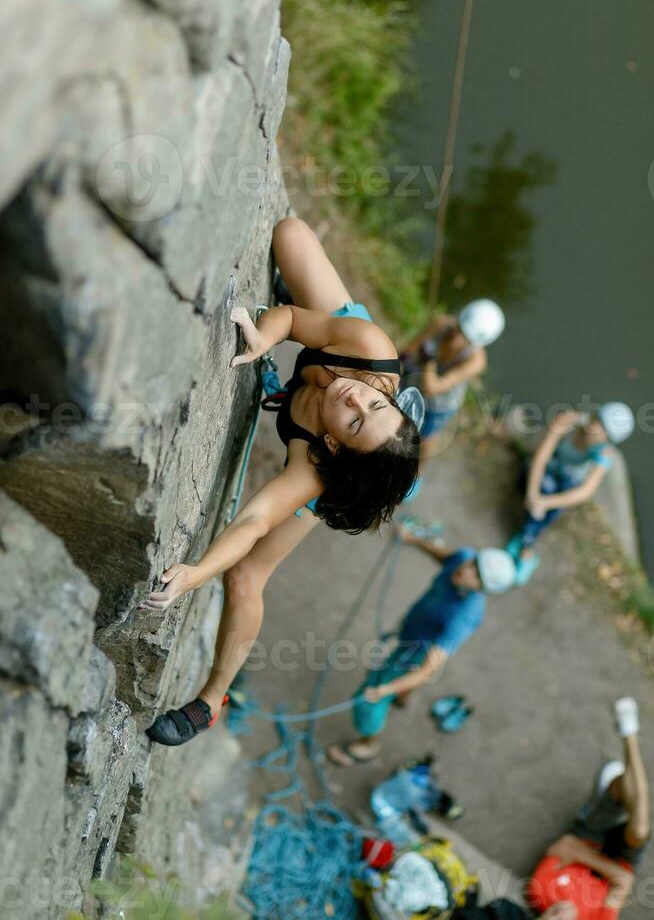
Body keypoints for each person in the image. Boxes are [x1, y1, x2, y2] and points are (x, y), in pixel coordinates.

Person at [144, 216, 422, 746]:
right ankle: (391, 448)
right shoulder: (366, 350)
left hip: (348, 477)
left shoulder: (317, 468)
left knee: (245, 577)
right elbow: (292, 318)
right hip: (342, 347)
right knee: (291, 232)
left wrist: (196, 573)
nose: (356, 399)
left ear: (337, 444)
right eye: (376, 402)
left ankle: (212, 700)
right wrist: (261, 336)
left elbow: (254, 518)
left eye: (359, 419)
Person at [326, 524, 516, 765]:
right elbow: (444, 555)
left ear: (483, 589)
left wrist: (385, 690)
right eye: (473, 564)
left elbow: (427, 671)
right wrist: (412, 539)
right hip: (413, 627)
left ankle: (368, 744)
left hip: (416, 651)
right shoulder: (463, 558)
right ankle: (403, 695)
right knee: (396, 681)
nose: (467, 571)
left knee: (368, 699)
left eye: (476, 576)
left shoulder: (462, 617)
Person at [528, 697, 650, 920]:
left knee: (624, 786)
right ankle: (629, 736)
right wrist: (583, 858)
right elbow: (624, 882)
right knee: (639, 830)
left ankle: (616, 792)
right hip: (618, 858)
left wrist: (582, 855)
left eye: (544, 918)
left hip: (588, 838)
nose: (552, 913)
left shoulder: (539, 892)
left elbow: (566, 845)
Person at [508, 403, 635, 585]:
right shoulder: (566, 422)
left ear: (608, 438)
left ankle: (525, 542)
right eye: (596, 419)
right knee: (543, 489)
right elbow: (541, 456)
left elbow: (585, 491)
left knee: (552, 503)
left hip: (567, 479)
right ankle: (525, 547)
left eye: (603, 429)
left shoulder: (604, 452)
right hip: (548, 467)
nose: (594, 427)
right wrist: (533, 493)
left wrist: (544, 502)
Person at [400, 299, 505, 459]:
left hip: (438, 404)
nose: (456, 340)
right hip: (413, 380)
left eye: (465, 338)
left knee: (424, 441)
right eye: (459, 329)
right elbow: (407, 351)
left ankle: (417, 474)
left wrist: (429, 358)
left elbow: (432, 389)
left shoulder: (476, 361)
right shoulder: (441, 324)